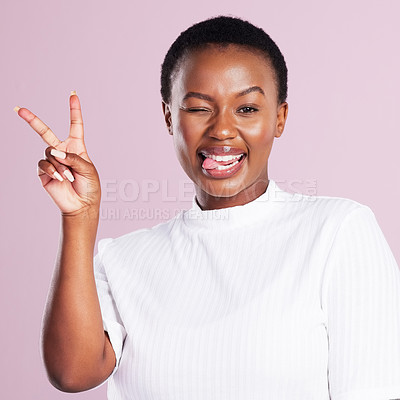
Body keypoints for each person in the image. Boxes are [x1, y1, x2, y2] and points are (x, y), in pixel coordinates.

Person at [15, 15, 400, 400]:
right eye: (199, 108)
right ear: (169, 117)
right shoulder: (123, 260)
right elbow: (71, 374)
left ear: (279, 118)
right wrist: (79, 219)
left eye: (246, 109)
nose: (222, 130)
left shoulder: (338, 232)